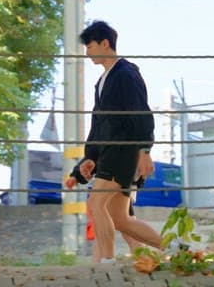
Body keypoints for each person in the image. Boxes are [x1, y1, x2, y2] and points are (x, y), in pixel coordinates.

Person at [77, 20, 162, 264]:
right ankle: (177, 247)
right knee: (120, 218)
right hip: (109, 153)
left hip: (124, 151)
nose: (87, 52)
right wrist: (90, 157)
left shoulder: (126, 73)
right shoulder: (103, 81)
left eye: (90, 46)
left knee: (95, 204)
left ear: (105, 43)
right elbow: (98, 125)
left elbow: (141, 113)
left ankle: (107, 262)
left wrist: (145, 150)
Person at [65, 160, 144, 262]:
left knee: (125, 228)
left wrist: (76, 176)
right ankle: (99, 266)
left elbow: (94, 151)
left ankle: (146, 259)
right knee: (108, 229)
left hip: (115, 181)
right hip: (119, 181)